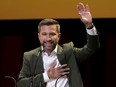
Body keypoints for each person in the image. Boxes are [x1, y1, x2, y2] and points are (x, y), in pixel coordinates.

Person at [17, 2, 100, 87]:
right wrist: (47, 76)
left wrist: (89, 25)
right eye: (44, 34)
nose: (48, 38)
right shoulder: (30, 56)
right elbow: (20, 84)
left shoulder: (69, 52)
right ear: (39, 36)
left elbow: (92, 48)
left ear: (59, 36)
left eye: (52, 34)